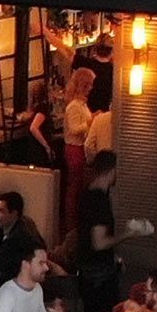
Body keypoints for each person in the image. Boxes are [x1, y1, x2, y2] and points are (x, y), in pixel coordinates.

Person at [77, 150, 139, 312]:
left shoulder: (86, 194)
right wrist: (128, 234)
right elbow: (99, 242)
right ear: (112, 170)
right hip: (99, 275)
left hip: (86, 270)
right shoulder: (100, 202)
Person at [0, 191, 45, 292]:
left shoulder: (17, 237)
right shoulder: (20, 226)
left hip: (15, 289)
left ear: (14, 213)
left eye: (1, 211)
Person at [61, 67, 96, 232]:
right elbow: (74, 128)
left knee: (77, 185)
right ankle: (71, 224)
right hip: (75, 149)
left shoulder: (81, 104)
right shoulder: (74, 106)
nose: (90, 89)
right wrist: (91, 122)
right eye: (88, 85)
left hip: (79, 148)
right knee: (74, 187)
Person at [16, 81, 55, 166]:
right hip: (39, 149)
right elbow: (34, 128)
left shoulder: (36, 109)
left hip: (34, 148)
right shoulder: (43, 109)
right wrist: (46, 146)